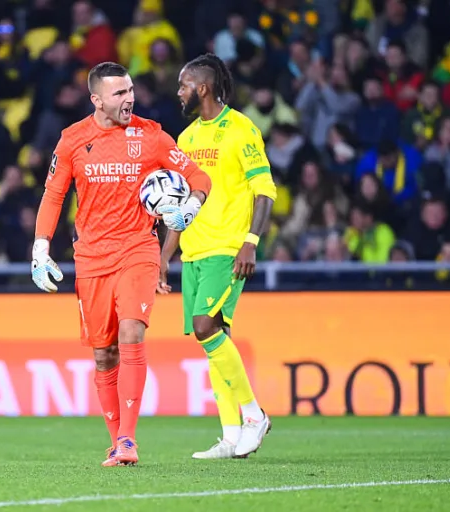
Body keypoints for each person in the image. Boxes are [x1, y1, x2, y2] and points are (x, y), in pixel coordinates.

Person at [30, 62, 212, 467]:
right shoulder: (72, 140)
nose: (129, 98)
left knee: (132, 332)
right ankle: (117, 442)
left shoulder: (152, 137)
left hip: (137, 250)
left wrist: (190, 208)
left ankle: (129, 439)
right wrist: (40, 248)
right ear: (96, 99)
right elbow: (54, 195)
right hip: (91, 258)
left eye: (130, 90)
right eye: (118, 94)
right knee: (103, 355)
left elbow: (199, 177)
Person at [158, 53, 276, 459]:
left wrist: (251, 241)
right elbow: (180, 203)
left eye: (183, 85)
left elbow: (265, 191)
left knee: (205, 326)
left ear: (202, 88)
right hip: (194, 250)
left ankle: (253, 416)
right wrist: (165, 254)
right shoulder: (187, 138)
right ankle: (229, 435)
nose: (178, 92)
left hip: (228, 248)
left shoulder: (241, 130)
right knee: (213, 339)